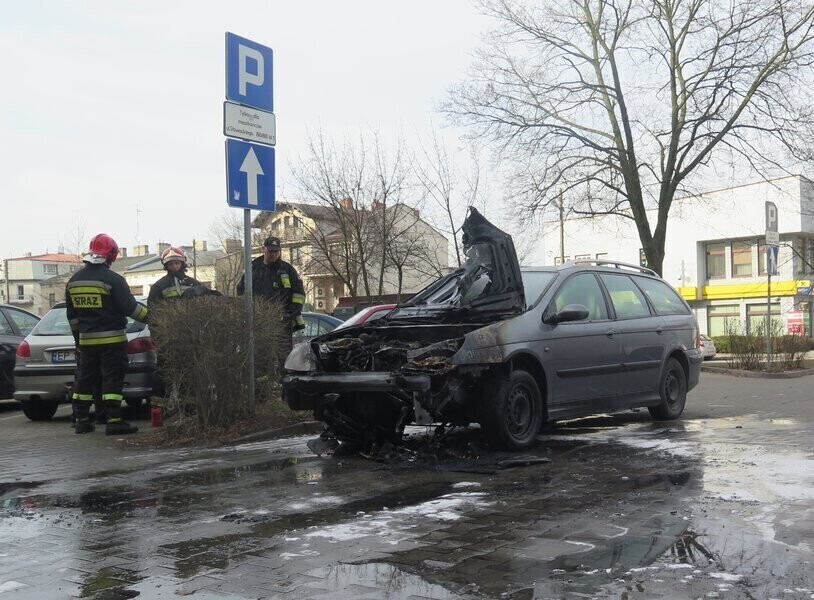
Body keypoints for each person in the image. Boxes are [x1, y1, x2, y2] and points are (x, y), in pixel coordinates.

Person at [66, 233, 149, 435]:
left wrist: (79, 340)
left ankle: (82, 421)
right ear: (110, 255)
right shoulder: (113, 280)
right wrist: (154, 317)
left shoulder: (74, 281)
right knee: (112, 380)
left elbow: (72, 317)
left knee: (85, 380)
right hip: (112, 342)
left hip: (86, 343)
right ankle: (114, 421)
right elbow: (131, 309)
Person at [237, 236, 306, 375]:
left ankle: (284, 386)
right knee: (260, 356)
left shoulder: (287, 269)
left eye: (276, 251)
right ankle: (263, 389)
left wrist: (290, 313)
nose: (273, 254)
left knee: (283, 357)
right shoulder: (253, 268)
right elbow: (241, 290)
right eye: (270, 251)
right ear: (263, 249)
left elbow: (299, 294)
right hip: (258, 322)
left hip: (282, 322)